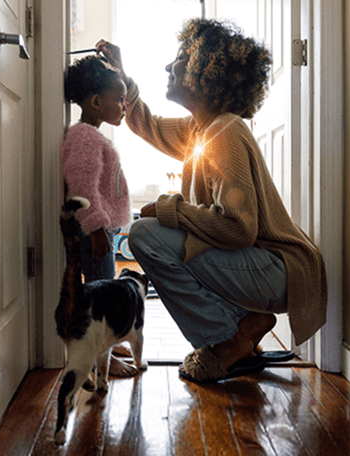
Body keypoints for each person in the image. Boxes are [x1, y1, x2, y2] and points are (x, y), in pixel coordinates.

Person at [96, 18, 327, 383]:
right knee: (165, 239)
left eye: (180, 59)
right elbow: (147, 124)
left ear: (208, 69)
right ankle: (246, 327)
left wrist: (171, 210)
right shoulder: (201, 129)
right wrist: (122, 76)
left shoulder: (224, 132)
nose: (169, 67)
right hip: (267, 269)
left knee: (144, 236)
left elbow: (239, 229)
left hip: (278, 270)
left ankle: (230, 340)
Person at [61, 55, 138, 377]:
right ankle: (96, 358)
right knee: (101, 295)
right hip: (92, 229)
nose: (124, 105)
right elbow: (82, 185)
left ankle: (104, 346)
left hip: (100, 228)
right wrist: (94, 229)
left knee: (103, 292)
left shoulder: (90, 134)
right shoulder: (85, 137)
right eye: (119, 99)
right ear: (96, 101)